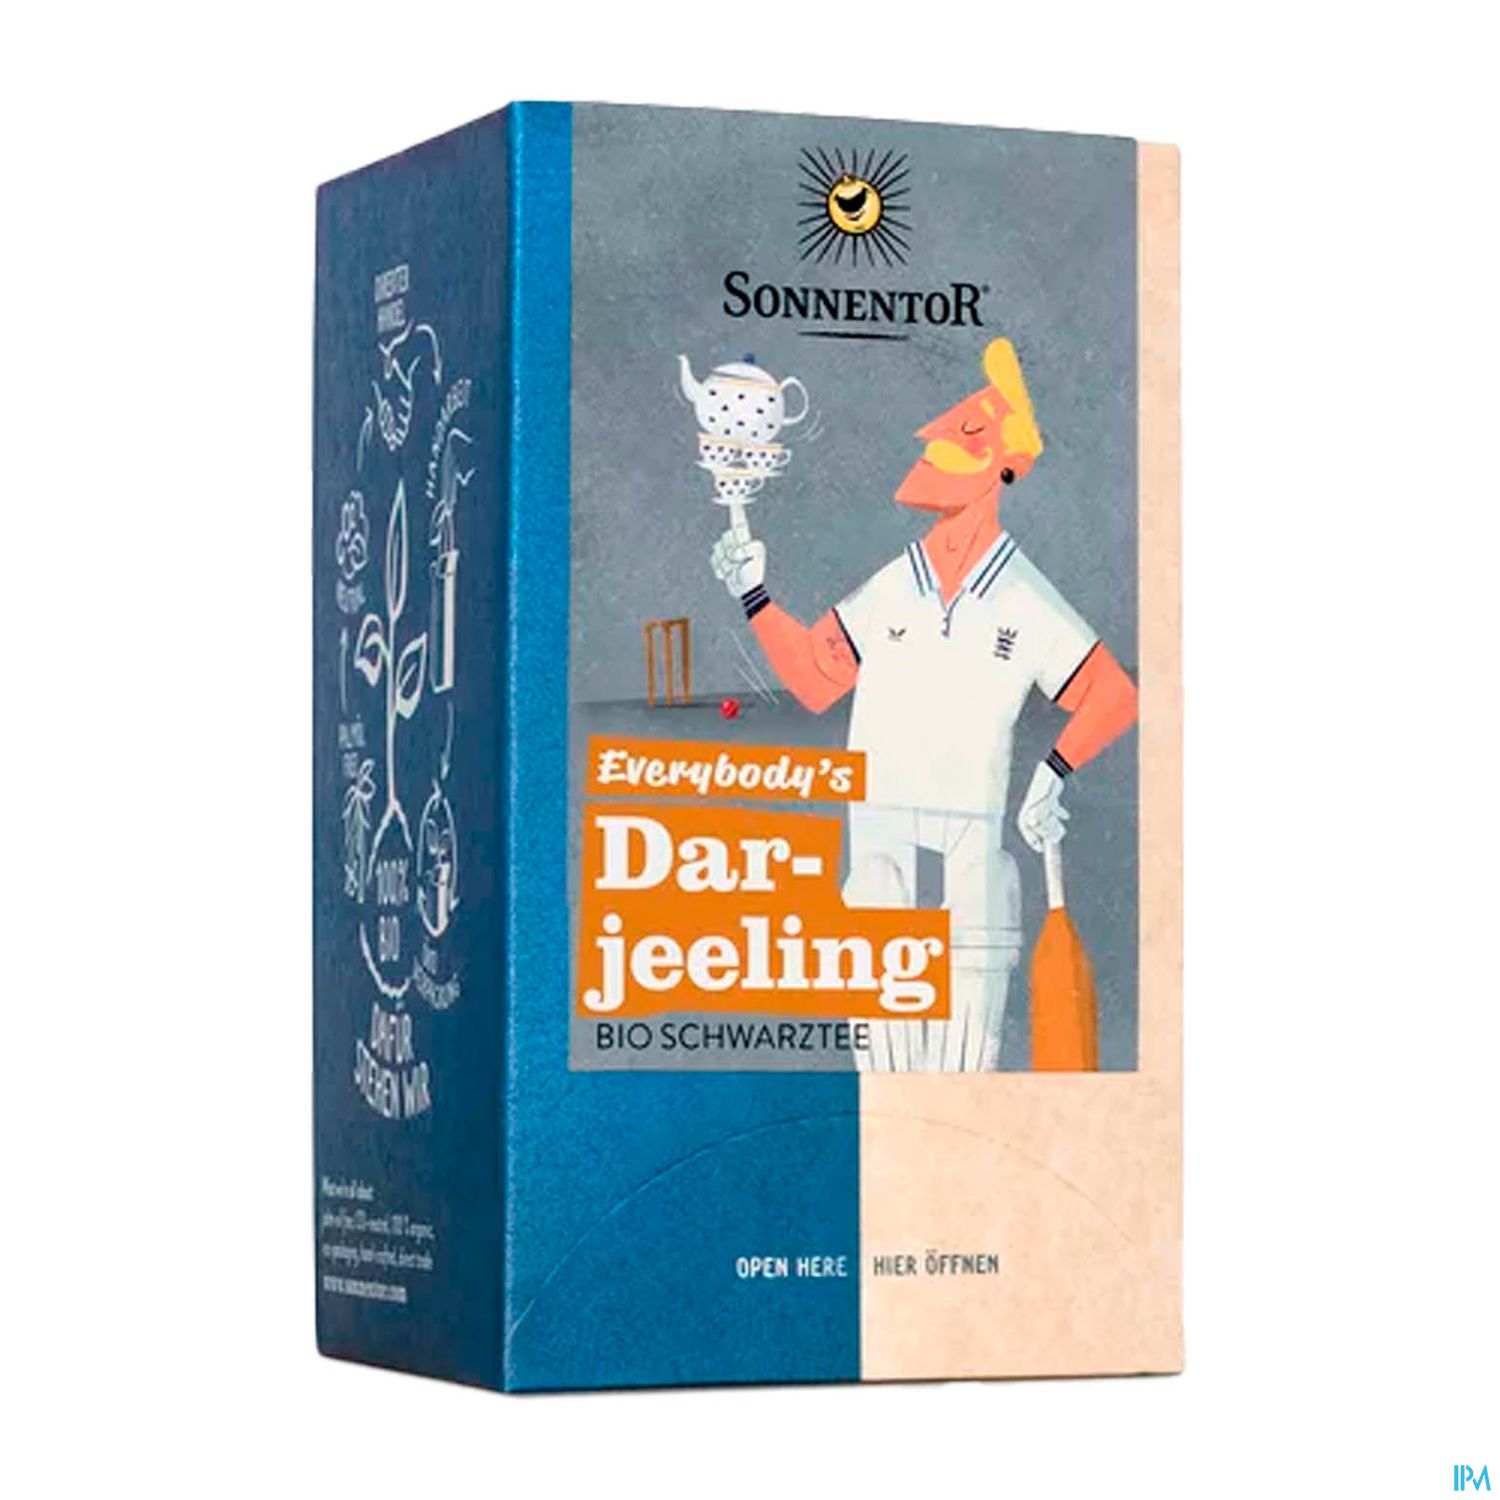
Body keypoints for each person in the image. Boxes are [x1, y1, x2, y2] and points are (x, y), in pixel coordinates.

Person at [710, 338, 1137, 1071]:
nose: (936, 440)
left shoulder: (1025, 597)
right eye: (942, 431)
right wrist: (753, 593)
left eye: (965, 433)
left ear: (1005, 464)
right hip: (878, 857)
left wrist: (1053, 774)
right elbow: (815, 678)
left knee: (964, 1060)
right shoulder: (892, 585)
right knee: (881, 1068)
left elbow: (1113, 695)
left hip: (972, 870)